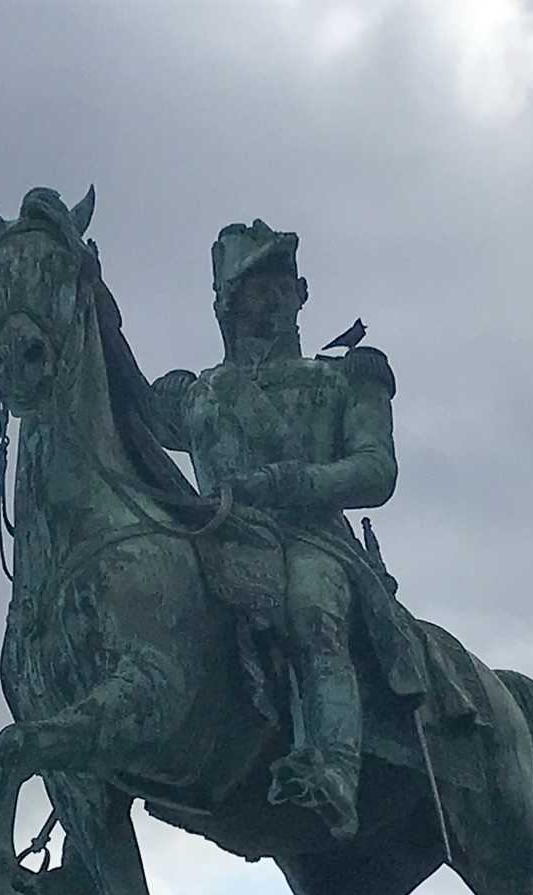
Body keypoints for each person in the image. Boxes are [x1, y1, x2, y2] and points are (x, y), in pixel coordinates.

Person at [150, 221, 400, 840]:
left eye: (283, 285)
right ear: (228, 305)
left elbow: (376, 471)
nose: (273, 297)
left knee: (312, 607)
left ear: (302, 293)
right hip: (219, 540)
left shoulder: (344, 378)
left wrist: (293, 481)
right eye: (255, 288)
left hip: (312, 543)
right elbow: (107, 399)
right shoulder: (197, 394)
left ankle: (333, 767)